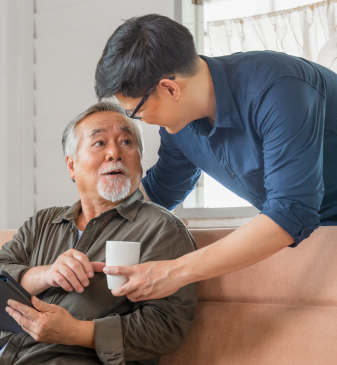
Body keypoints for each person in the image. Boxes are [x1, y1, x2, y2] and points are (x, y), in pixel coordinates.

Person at [94, 14, 337, 302]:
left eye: (136, 111)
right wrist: (88, 223)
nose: (141, 121)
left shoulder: (277, 89)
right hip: (316, 239)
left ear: (170, 88)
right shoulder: (179, 126)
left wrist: (174, 272)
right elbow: (160, 191)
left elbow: (291, 211)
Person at [0, 102, 197, 365]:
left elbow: (167, 326)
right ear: (71, 166)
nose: (115, 152)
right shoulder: (44, 222)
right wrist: (46, 274)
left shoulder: (161, 228)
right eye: (99, 143)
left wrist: (76, 333)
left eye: (127, 142)